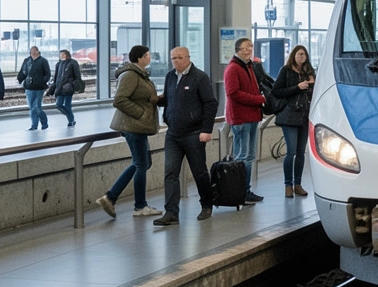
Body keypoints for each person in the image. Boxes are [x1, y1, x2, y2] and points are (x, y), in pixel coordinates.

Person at [96, 45, 162, 219]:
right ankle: (139, 206)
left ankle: (110, 197)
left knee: (143, 163)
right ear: (140, 58)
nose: (149, 57)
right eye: (147, 55)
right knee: (141, 164)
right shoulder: (130, 75)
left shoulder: (140, 74)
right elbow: (119, 100)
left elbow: (139, 96)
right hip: (133, 126)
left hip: (139, 126)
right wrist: (140, 113)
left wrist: (153, 100)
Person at [154, 47, 218, 225]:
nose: (176, 61)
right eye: (173, 58)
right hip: (173, 133)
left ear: (188, 58)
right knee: (170, 173)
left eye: (180, 58)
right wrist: (155, 100)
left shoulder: (199, 77)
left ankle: (206, 204)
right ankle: (171, 212)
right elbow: (169, 99)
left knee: (199, 172)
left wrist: (207, 130)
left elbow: (210, 104)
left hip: (194, 133)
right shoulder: (170, 76)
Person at [225, 37, 267, 205]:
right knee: (244, 157)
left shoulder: (248, 66)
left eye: (250, 47)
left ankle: (244, 190)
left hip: (251, 117)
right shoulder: (233, 68)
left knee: (248, 155)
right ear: (237, 50)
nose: (248, 50)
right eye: (245, 48)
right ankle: (242, 192)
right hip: (241, 118)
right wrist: (258, 99)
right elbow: (233, 93)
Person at [273, 45, 316, 197]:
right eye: (299, 54)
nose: (301, 57)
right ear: (293, 55)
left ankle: (298, 184)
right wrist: (297, 87)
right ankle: (288, 185)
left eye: (304, 54)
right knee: (291, 152)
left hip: (304, 116)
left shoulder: (309, 73)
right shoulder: (285, 71)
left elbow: (313, 94)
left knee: (301, 152)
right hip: (289, 116)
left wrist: (312, 84)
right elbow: (276, 91)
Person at [17, 45, 51, 131]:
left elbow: (47, 74)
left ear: (38, 51)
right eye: (31, 51)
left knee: (37, 107)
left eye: (34, 51)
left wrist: (42, 82)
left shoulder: (43, 61)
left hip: (39, 88)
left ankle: (44, 123)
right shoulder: (27, 60)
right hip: (29, 87)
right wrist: (21, 80)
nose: (33, 52)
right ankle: (34, 125)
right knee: (31, 106)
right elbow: (22, 71)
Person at [51, 50, 83, 127]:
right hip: (59, 87)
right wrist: (53, 87)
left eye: (62, 54)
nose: (60, 55)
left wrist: (74, 84)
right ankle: (71, 118)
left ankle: (71, 120)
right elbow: (56, 77)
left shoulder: (73, 63)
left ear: (66, 55)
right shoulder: (59, 64)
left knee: (67, 105)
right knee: (58, 105)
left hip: (68, 87)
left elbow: (77, 76)